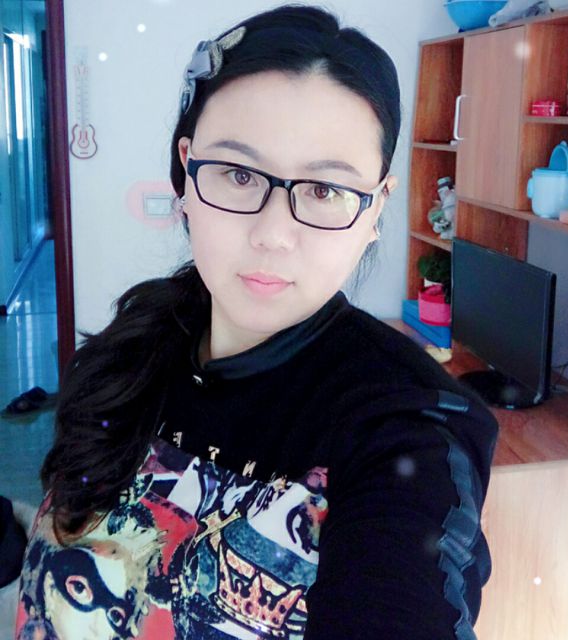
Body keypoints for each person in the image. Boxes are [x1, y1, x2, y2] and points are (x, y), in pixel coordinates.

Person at [15, 5, 499, 639]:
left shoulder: (406, 427)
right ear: (186, 173)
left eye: (324, 190)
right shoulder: (128, 348)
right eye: (239, 174)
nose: (273, 234)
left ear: (376, 208)